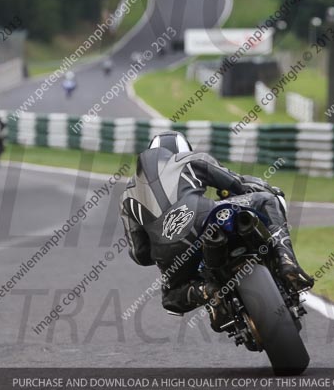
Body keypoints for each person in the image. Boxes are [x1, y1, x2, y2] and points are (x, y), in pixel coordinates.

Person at [120, 131, 314, 320]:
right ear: (183, 150)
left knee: (171, 297)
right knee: (267, 200)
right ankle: (286, 262)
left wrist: (163, 243)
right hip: (204, 217)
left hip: (169, 253)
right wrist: (266, 188)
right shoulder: (191, 159)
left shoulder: (127, 195)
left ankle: (209, 291)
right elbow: (238, 184)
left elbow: (140, 254)